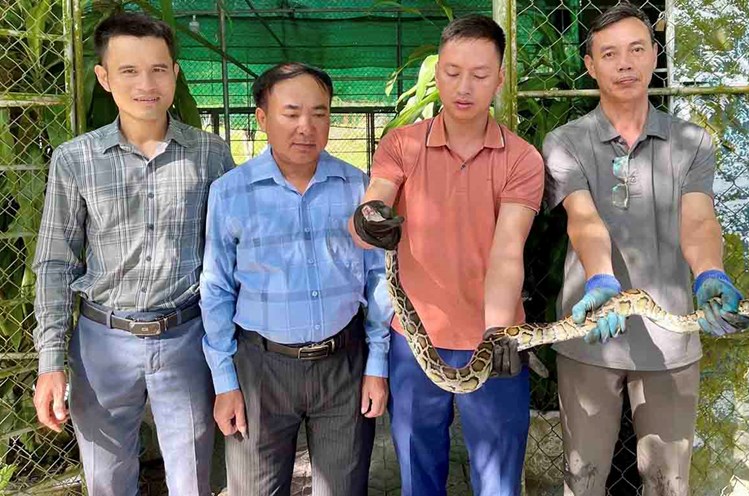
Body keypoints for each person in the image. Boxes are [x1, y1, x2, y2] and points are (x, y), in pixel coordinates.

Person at [542, 3, 745, 495]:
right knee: (582, 479)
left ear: (655, 54)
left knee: (667, 483)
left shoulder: (692, 142)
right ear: (591, 66)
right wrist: (601, 278)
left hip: (672, 338)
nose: (625, 63)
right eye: (609, 53)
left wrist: (709, 274)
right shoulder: (565, 140)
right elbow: (583, 219)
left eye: (637, 49)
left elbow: (697, 220)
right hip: (590, 331)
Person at [31, 12, 235, 495]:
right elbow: (56, 262)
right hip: (101, 342)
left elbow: (228, 258)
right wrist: (50, 362)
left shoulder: (210, 155)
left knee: (192, 478)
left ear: (175, 73)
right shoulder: (75, 159)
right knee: (107, 479)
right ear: (103, 77)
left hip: (186, 338)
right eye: (128, 70)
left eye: (159, 69)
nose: (146, 83)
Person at [350, 14, 545, 496]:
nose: (465, 87)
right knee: (419, 471)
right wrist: (368, 220)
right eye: (453, 72)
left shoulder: (521, 159)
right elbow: (370, 210)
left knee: (497, 478)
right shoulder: (402, 144)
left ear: (500, 79)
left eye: (480, 75)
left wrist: (499, 332)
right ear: (438, 74)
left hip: (494, 340)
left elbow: (507, 252)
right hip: (414, 342)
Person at [200, 62, 392, 496]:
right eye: (291, 113)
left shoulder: (356, 186)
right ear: (263, 118)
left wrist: (376, 365)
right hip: (259, 370)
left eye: (320, 113)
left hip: (343, 365)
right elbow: (216, 288)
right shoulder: (231, 192)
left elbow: (378, 277)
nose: (306, 126)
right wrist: (225, 382)